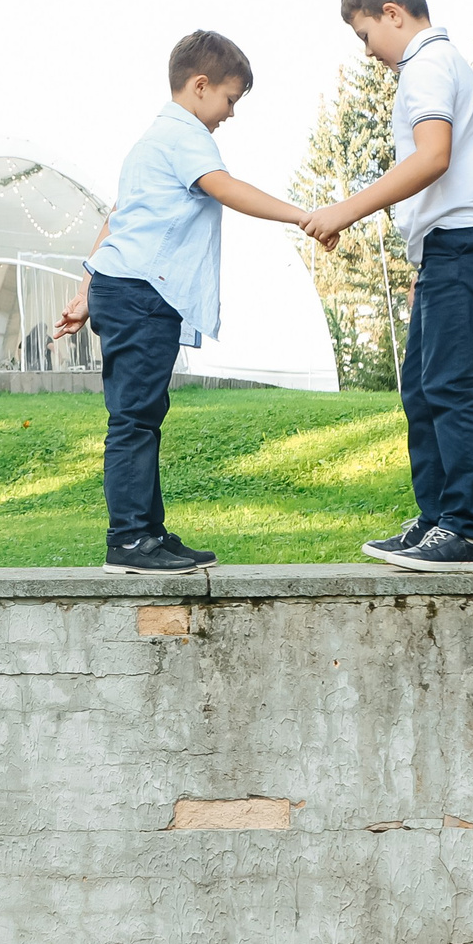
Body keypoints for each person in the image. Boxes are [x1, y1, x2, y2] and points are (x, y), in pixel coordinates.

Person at [54, 30, 310, 575]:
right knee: (134, 418)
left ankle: (147, 533)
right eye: (230, 99)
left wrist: (84, 292)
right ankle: (127, 541)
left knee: (143, 413)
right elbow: (226, 188)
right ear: (200, 86)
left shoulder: (150, 142)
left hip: (125, 286)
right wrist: (302, 217)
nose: (231, 114)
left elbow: (118, 219)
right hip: (142, 290)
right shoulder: (185, 134)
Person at [303, 0, 473, 574]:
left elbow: (433, 157)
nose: (368, 52)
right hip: (449, 246)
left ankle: (466, 532)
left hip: (470, 240)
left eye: (365, 35)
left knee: (450, 384)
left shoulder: (426, 66)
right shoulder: (440, 65)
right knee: (422, 388)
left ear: (392, 15)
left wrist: (345, 211)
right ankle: (436, 521)